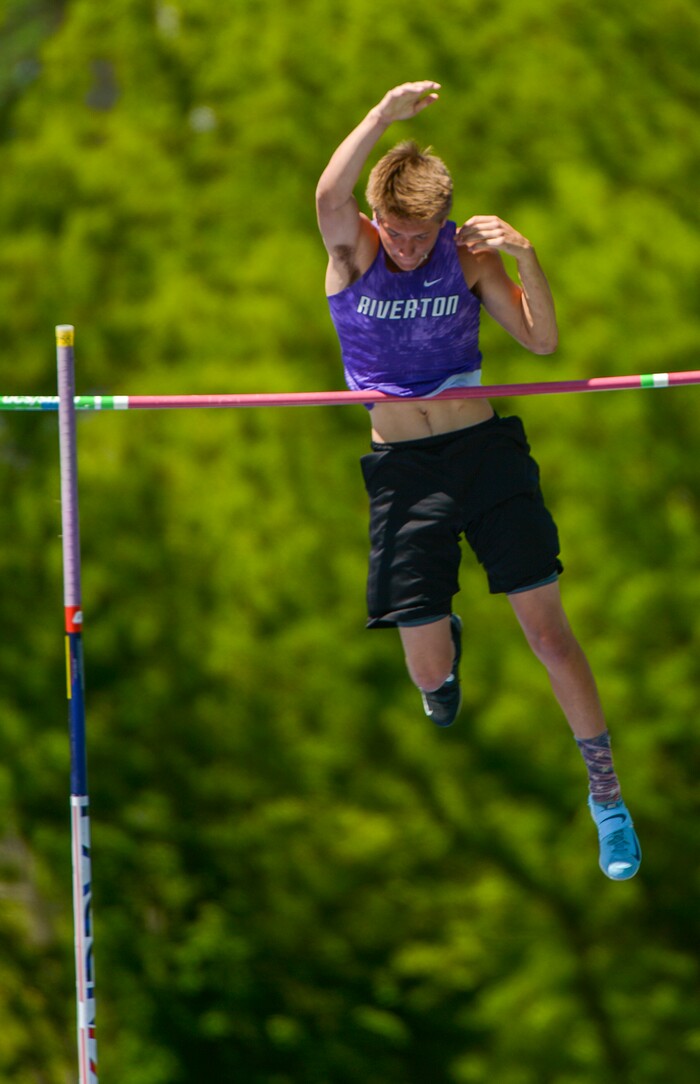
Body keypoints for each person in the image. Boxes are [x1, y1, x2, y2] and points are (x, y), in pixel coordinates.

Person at [315, 81, 641, 880]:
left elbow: (541, 341)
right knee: (428, 673)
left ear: (446, 220)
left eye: (424, 235)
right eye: (399, 231)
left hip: (484, 453)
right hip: (405, 473)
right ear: (377, 216)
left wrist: (527, 258)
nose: (410, 247)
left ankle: (606, 798)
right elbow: (329, 189)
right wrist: (380, 118)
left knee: (549, 634)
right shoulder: (351, 247)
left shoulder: (468, 256)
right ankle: (443, 647)